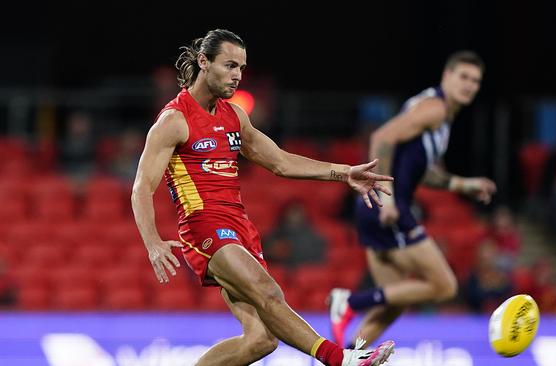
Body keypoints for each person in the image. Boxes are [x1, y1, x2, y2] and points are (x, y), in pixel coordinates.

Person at [131, 29, 395, 366]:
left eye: (241, 67)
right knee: (268, 291)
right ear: (203, 62)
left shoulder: (234, 116)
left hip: (240, 227)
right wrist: (152, 242)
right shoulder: (174, 120)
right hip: (205, 228)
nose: (237, 75)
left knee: (262, 339)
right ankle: (341, 359)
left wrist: (344, 172)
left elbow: (280, 162)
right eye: (229, 66)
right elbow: (141, 187)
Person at [329, 51, 496, 347]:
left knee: (392, 303)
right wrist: (388, 197)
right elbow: (382, 137)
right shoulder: (437, 109)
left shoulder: (437, 112)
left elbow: (420, 170)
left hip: (374, 205)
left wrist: (462, 184)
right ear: (447, 75)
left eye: (476, 81)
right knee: (444, 286)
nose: (469, 85)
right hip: (388, 205)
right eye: (464, 77)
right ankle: (351, 301)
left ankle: (346, 356)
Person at [263, 199, 327, 268]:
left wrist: (292, 252)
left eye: (297, 212)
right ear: (284, 214)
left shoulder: (315, 240)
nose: (294, 216)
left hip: (305, 274)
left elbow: (319, 261)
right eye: (292, 212)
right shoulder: (272, 236)